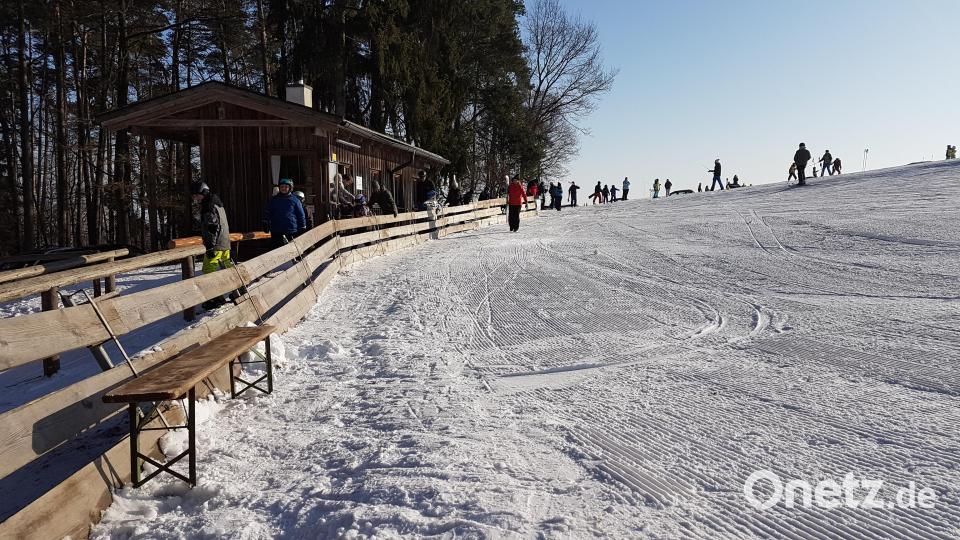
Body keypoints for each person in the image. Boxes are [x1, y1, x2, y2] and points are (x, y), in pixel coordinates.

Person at [192, 180, 232, 310]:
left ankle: (215, 298)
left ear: (204, 192)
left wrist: (209, 245)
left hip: (216, 244)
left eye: (197, 195)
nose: (195, 198)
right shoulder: (217, 203)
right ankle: (239, 290)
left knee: (208, 270)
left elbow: (212, 227)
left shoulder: (208, 206)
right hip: (225, 243)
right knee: (228, 268)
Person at [263, 178, 306, 250]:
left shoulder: (295, 200)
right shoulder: (274, 200)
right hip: (276, 230)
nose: (283, 188)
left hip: (291, 230)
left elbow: (301, 215)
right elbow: (267, 211)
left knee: (291, 250)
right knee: (276, 249)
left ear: (290, 188)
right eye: (282, 187)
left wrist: (302, 226)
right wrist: (265, 221)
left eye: (286, 187)